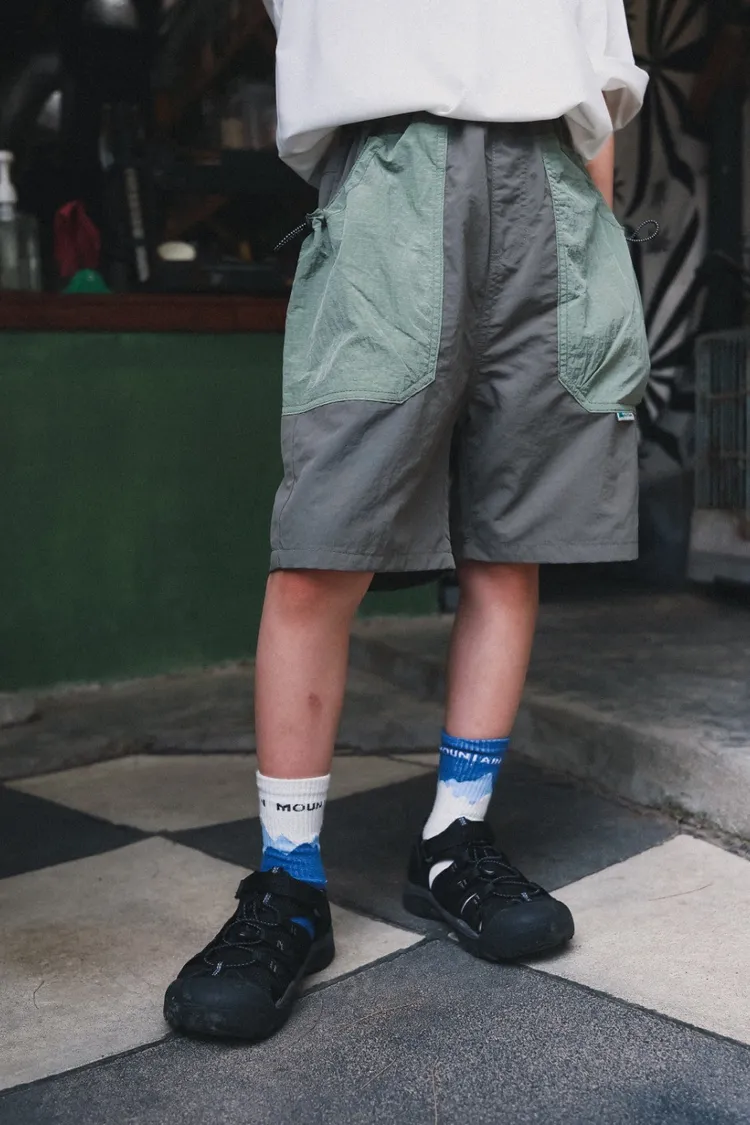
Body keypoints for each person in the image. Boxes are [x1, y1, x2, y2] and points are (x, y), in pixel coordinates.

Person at [164, 0, 650, 1042]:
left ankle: (454, 840)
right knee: (322, 545)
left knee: (508, 545)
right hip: (387, 170)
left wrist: (595, 240)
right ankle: (289, 879)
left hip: (555, 190)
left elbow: (601, 82)